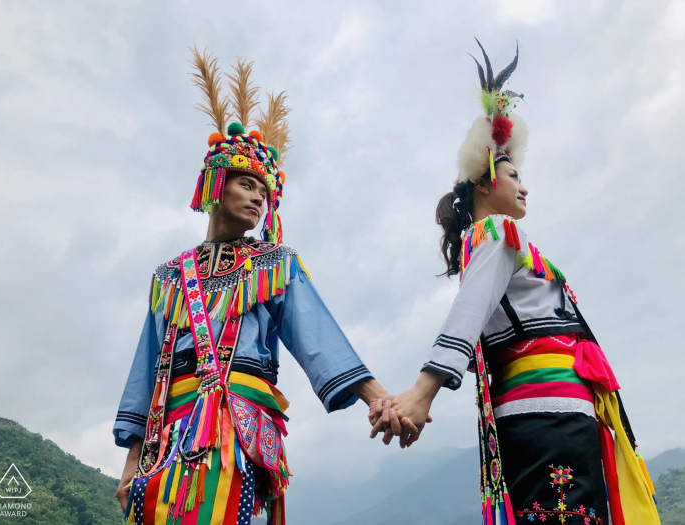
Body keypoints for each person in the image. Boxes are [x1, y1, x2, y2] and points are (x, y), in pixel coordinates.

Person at [370, 40, 661, 525]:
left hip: (546, 412)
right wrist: (423, 392)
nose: (523, 185)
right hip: (550, 414)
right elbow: (470, 310)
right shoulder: (498, 233)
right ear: (485, 182)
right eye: (513, 173)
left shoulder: (486, 241)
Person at [113, 47, 390, 525]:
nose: (258, 197)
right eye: (247, 184)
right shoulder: (170, 276)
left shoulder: (274, 264)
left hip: (235, 430)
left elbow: (317, 339)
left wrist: (379, 398)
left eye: (265, 192)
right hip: (166, 435)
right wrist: (130, 463)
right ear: (216, 184)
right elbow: (145, 371)